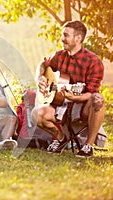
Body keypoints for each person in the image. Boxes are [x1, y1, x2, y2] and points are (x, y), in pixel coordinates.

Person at [32, 20, 105, 157]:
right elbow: (43, 64)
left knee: (98, 99)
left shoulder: (94, 62)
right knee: (36, 114)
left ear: (78, 38)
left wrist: (74, 97)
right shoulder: (59, 56)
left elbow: (91, 93)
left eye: (66, 35)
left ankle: (88, 146)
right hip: (60, 104)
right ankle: (61, 139)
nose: (62, 39)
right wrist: (40, 78)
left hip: (82, 106)